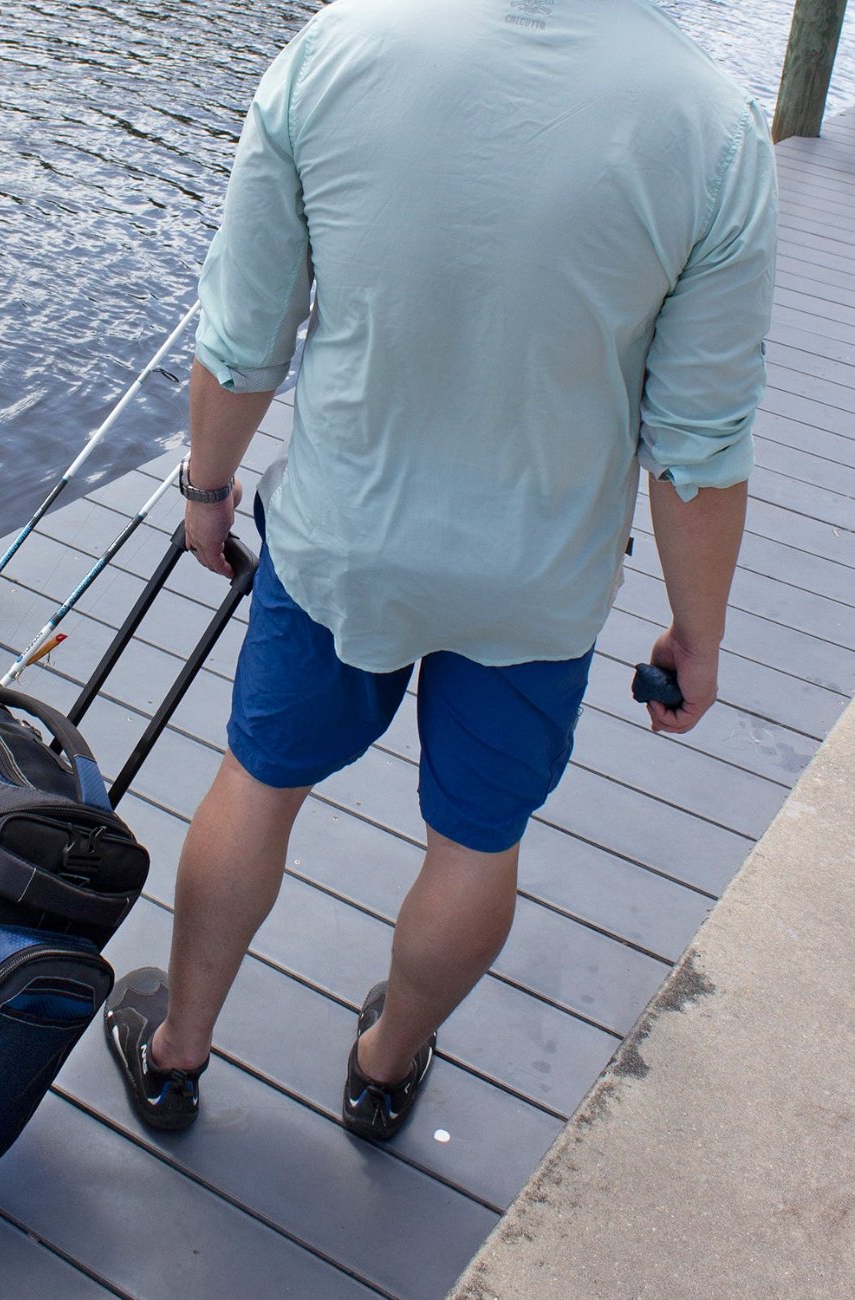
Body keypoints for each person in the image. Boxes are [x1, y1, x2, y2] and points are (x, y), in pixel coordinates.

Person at [104, 0, 777, 1139]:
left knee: (259, 779)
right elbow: (699, 455)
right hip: (537, 581)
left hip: (339, 543)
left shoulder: (339, 46)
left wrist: (206, 494)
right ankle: (382, 1064)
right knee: (477, 840)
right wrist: (695, 631)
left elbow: (243, 336)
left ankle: (175, 1051)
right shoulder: (712, 130)